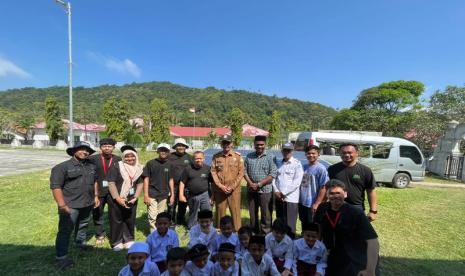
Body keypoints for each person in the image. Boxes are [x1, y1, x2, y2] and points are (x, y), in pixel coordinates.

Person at [50, 141, 99, 270]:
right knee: (65, 231)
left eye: (87, 150)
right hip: (70, 205)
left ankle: (80, 243)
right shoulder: (61, 167)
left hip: (87, 203)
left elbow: (94, 182)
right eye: (81, 149)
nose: (85, 152)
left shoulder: (91, 166)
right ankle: (61, 257)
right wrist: (62, 205)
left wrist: (95, 196)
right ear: (74, 151)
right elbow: (56, 187)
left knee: (83, 225)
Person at [314, 179, 379, 276]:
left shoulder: (355, 213)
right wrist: (316, 248)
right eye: (331, 193)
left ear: (345, 194)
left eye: (338, 193)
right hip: (332, 256)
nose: (335, 196)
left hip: (354, 258)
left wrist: (370, 270)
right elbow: (318, 229)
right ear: (327, 195)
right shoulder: (322, 208)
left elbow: (373, 241)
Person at [327, 143, 378, 221]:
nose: (347, 155)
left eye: (350, 152)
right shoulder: (332, 169)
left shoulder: (365, 170)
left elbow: (371, 191)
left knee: (356, 232)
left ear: (357, 153)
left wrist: (373, 211)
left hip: (356, 207)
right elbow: (326, 189)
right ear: (339, 153)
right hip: (335, 206)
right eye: (344, 153)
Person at [107, 145, 144, 251]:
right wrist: (118, 198)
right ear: (123, 157)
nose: (130, 158)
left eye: (132, 156)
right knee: (116, 220)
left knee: (129, 219)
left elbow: (140, 183)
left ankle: (128, 239)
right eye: (127, 156)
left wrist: (136, 196)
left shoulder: (139, 168)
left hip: (131, 198)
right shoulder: (117, 166)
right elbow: (111, 183)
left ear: (136, 157)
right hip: (116, 198)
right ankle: (116, 241)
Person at [88, 137, 121, 246]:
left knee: (114, 214)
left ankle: (114, 234)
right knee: (97, 213)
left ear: (113, 147)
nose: (107, 148)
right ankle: (100, 234)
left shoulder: (118, 159)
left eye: (109, 146)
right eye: (104, 146)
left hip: (113, 191)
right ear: (100, 147)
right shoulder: (93, 159)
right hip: (98, 190)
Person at [244, 135, 278, 234]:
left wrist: (259, 184)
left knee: (266, 214)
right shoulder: (249, 156)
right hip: (251, 190)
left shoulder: (271, 157)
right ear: (254, 145)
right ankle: (254, 232)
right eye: (257, 145)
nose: (259, 147)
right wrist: (250, 183)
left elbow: (272, 174)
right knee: (252, 214)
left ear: (265, 145)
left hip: (265, 191)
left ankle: (265, 234)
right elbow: (244, 171)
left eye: (262, 145)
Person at [211, 135, 244, 231]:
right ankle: (219, 230)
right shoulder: (216, 157)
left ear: (232, 144)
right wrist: (220, 186)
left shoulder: (238, 157)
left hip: (234, 190)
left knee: (235, 211)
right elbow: (213, 172)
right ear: (221, 144)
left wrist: (232, 187)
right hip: (220, 190)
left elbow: (241, 173)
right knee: (220, 211)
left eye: (228, 143)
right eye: (224, 143)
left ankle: (237, 231)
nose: (226, 145)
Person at [273, 143, 303, 237]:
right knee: (280, 222)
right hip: (279, 198)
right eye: (285, 150)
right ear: (282, 151)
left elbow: (297, 182)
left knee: (290, 225)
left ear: (292, 151)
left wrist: (283, 193)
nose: (286, 152)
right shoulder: (278, 163)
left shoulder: (297, 164)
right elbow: (274, 179)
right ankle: (280, 241)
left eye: (289, 150)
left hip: (291, 199)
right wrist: (276, 191)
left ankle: (290, 244)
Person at [143, 143, 175, 232]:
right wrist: (145, 195)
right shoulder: (150, 163)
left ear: (168, 152)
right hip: (151, 193)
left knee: (161, 215)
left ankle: (161, 232)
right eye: (161, 150)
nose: (163, 152)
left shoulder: (170, 164)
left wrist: (172, 194)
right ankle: (153, 233)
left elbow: (171, 180)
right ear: (157, 151)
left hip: (164, 193)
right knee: (152, 215)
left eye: (165, 150)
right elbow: (146, 179)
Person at [178, 151, 213, 229]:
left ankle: (208, 228)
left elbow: (212, 183)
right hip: (192, 195)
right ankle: (192, 229)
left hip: (205, 194)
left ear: (204, 159)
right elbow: (182, 182)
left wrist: (213, 196)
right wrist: (181, 195)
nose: (198, 160)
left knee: (207, 212)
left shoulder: (208, 168)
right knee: (193, 213)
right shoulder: (188, 169)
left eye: (200, 158)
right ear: (193, 159)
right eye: (196, 158)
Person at [299, 145, 329, 224]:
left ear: (318, 155)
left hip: (312, 203)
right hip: (302, 202)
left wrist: (317, 203)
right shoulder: (304, 167)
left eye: (313, 153)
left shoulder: (321, 169)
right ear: (305, 154)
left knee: (312, 225)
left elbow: (323, 187)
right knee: (304, 222)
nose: (311, 155)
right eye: (308, 153)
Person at [168, 138, 192, 227]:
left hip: (185, 186)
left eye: (182, 145)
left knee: (183, 204)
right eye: (178, 145)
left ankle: (180, 220)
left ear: (185, 147)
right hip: (172, 185)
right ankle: (171, 221)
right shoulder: (169, 157)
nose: (180, 147)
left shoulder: (189, 157)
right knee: (171, 204)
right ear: (175, 147)